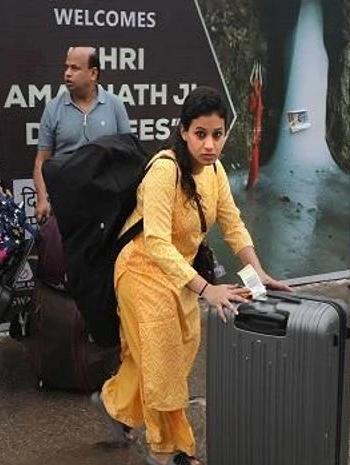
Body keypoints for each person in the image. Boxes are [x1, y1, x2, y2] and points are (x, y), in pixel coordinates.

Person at [94, 87, 291, 465]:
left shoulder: (214, 172)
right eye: (201, 134)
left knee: (164, 356)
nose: (210, 144)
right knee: (164, 363)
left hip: (180, 275)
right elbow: (155, 242)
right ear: (184, 131)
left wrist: (258, 274)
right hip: (141, 272)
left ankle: (114, 405)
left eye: (217, 135)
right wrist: (207, 290)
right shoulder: (164, 170)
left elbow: (232, 224)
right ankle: (168, 451)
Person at [32, 46, 131, 224]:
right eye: (66, 67)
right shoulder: (53, 108)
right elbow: (41, 160)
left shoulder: (115, 105)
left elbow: (128, 154)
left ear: (93, 73)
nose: (67, 74)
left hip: (106, 202)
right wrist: (42, 199)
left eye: (75, 68)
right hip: (65, 203)